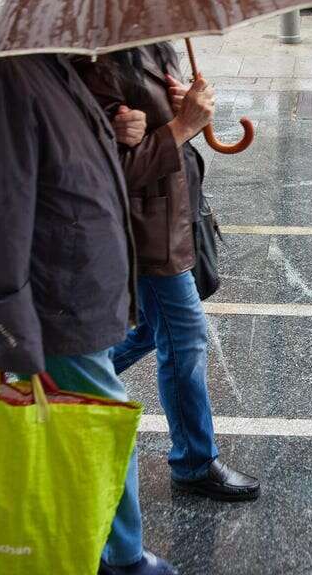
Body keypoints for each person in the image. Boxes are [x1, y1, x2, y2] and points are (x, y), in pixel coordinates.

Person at [0, 51, 179, 575]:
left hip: (75, 288)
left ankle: (101, 547)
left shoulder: (45, 64)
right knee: (97, 425)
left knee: (88, 422)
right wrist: (9, 325)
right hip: (53, 297)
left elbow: (62, 162)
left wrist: (117, 129)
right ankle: (122, 558)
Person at [77, 44, 261, 503]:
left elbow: (159, 134)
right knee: (185, 336)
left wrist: (182, 112)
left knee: (153, 331)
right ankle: (194, 461)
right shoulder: (98, 62)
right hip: (145, 228)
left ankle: (63, 382)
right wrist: (181, 126)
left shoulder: (152, 46)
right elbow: (110, 171)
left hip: (173, 215)